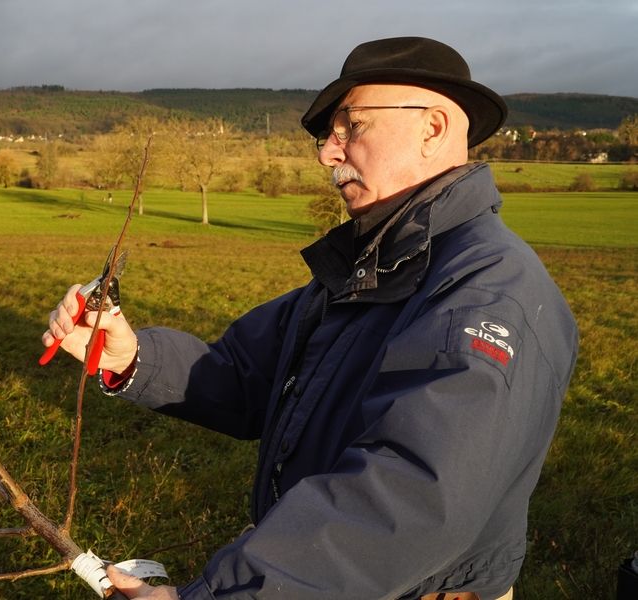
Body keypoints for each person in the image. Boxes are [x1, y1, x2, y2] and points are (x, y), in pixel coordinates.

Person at [43, 37, 578, 600]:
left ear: (433, 128)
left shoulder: (487, 292)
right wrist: (130, 356)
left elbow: (409, 501)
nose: (327, 153)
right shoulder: (370, 268)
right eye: (328, 135)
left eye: (351, 126)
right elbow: (247, 375)